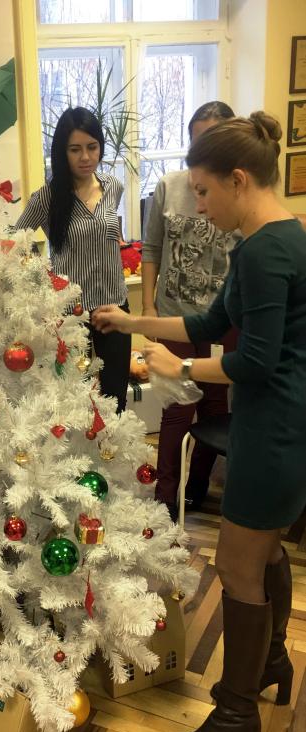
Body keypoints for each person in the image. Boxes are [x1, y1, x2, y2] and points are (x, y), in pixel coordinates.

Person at [92, 111, 306, 732]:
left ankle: (236, 714)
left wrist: (177, 368)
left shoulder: (265, 251)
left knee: (237, 567)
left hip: (275, 428)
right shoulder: (277, 236)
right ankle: (269, 663)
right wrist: (134, 322)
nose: (200, 206)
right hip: (279, 423)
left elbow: (253, 362)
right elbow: (211, 321)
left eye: (205, 191)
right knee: (262, 552)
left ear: (239, 180)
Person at [142, 101, 237, 522]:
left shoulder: (239, 192)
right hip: (175, 316)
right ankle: (166, 497)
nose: (205, 149)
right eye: (198, 140)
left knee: (215, 405)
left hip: (223, 321)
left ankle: (197, 488)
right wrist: (148, 307)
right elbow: (151, 249)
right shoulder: (169, 185)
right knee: (176, 408)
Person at [14, 106, 131, 412]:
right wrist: (38, 279)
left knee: (115, 397)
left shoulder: (113, 187)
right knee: (72, 400)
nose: (85, 157)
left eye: (92, 147)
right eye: (75, 149)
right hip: (70, 312)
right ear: (62, 152)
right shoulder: (48, 197)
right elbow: (13, 242)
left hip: (114, 305)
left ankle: (113, 446)